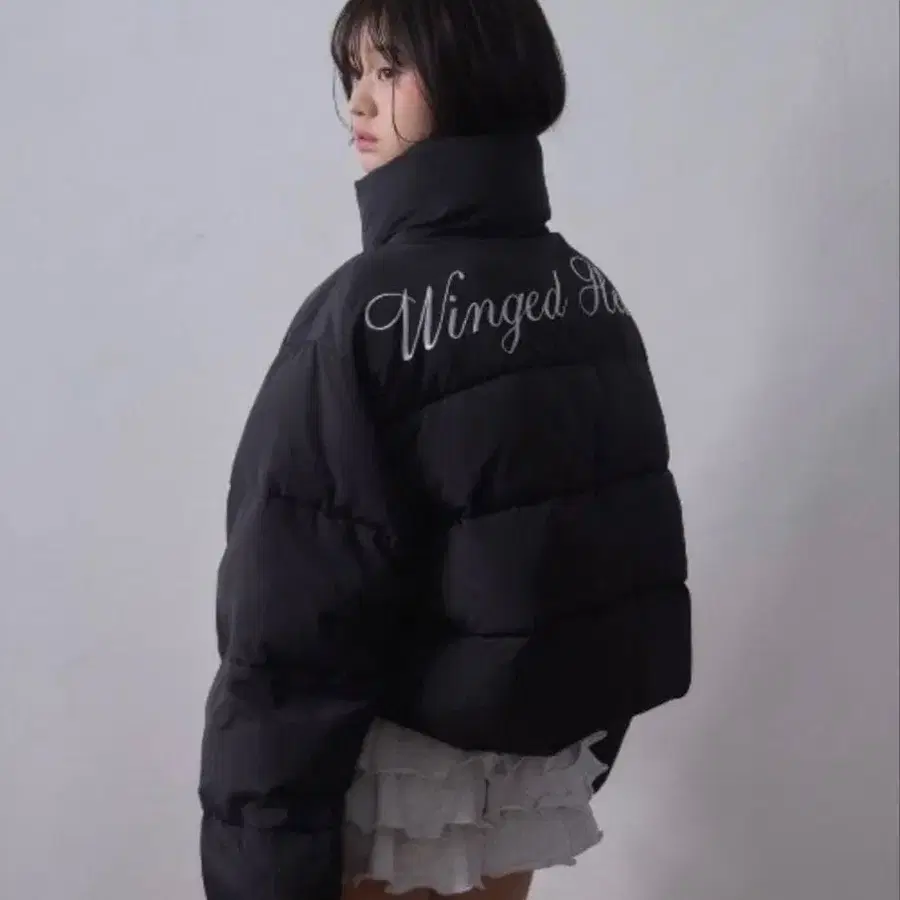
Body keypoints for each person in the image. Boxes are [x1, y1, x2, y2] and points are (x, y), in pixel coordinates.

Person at [197, 0, 692, 898]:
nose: (358, 102)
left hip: (393, 794)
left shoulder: (360, 315)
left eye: (390, 70)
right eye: (354, 73)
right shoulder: (588, 291)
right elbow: (617, 583)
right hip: (517, 788)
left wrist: (262, 870)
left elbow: (287, 618)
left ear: (474, 69)